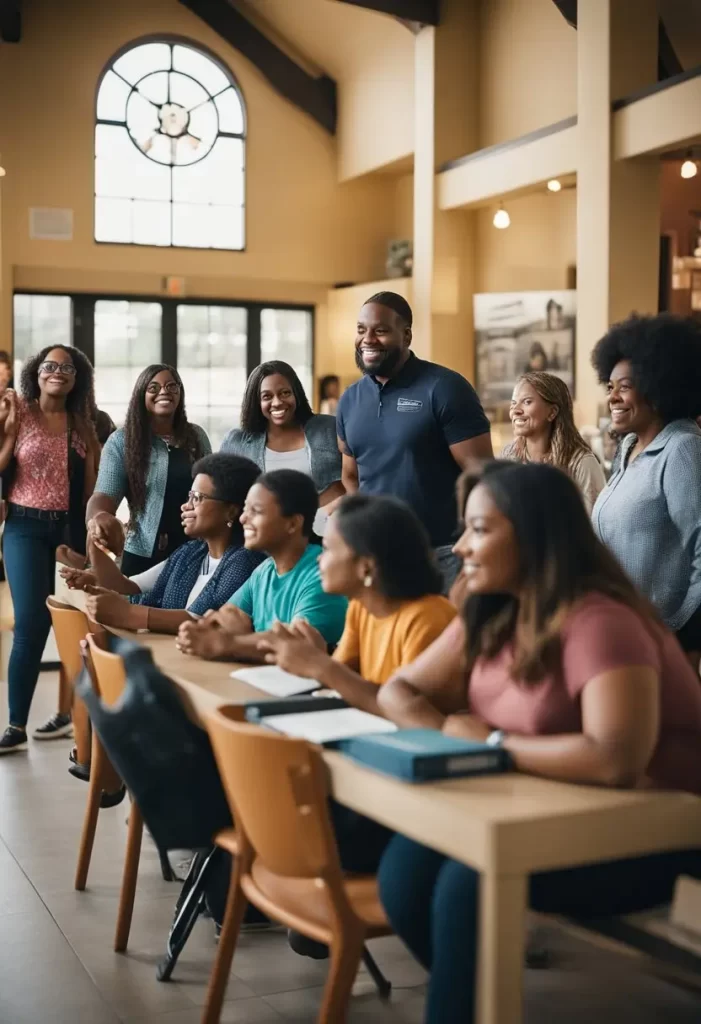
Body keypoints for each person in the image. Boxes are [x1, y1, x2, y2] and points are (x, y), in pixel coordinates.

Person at [376, 461, 701, 1024]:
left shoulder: (601, 619)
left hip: (658, 829)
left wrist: (492, 743)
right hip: (552, 809)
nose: (459, 546)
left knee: (464, 888)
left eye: (480, 529)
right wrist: (455, 739)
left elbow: (615, 758)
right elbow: (399, 691)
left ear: (534, 534)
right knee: (402, 875)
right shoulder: (492, 609)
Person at [335, 292, 493, 592]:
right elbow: (351, 476)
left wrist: (469, 540)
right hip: (378, 558)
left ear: (406, 335)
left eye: (380, 330)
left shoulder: (445, 388)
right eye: (360, 330)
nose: (367, 339)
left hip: (442, 556)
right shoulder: (349, 400)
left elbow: (483, 476)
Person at [258, 493, 456, 713]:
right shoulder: (361, 607)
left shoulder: (427, 618)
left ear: (366, 567)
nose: (318, 559)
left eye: (327, 549)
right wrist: (311, 658)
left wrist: (320, 665)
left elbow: (408, 714)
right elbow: (343, 679)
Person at [0, 346, 101, 753]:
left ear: (77, 378)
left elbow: (91, 486)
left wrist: (90, 540)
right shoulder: (20, 411)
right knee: (30, 624)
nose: (58, 372)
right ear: (36, 373)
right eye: (49, 366)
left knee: (78, 631)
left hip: (67, 533)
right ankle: (16, 724)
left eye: (67, 367)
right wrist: (7, 434)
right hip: (23, 527)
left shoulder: (83, 422)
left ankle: (85, 727)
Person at [590, 314, 701, 665]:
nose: (613, 398)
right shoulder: (628, 448)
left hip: (665, 643)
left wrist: (678, 628)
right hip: (624, 632)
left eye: (625, 386)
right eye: (610, 387)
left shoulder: (682, 449)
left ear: (658, 385)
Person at [61, 453, 264, 634]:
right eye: (189, 497)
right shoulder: (190, 552)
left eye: (198, 498)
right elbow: (129, 588)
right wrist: (95, 541)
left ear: (231, 510)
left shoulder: (245, 561)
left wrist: (127, 612)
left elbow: (200, 619)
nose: (186, 506)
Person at [176, 469, 347, 662]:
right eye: (245, 509)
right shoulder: (263, 570)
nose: (242, 518)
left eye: (255, 511)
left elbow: (297, 644)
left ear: (292, 523)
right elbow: (224, 620)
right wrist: (202, 632)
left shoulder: (324, 575)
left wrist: (228, 643)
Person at [87, 364, 210, 576]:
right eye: (153, 388)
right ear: (141, 395)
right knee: (137, 609)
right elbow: (104, 495)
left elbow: (212, 491)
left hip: (193, 553)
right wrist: (98, 517)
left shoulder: (197, 437)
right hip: (141, 556)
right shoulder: (122, 441)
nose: (164, 392)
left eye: (172, 386)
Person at [221, 361, 343, 536]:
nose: (277, 402)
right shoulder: (237, 441)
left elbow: (352, 480)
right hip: (265, 540)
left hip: (326, 534)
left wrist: (320, 513)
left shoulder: (329, 428)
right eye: (267, 396)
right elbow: (224, 496)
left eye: (285, 393)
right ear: (255, 401)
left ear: (296, 394)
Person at [501, 371, 605, 512]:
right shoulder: (507, 457)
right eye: (513, 403)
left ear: (552, 412)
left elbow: (594, 526)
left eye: (527, 402)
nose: (516, 410)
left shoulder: (582, 464)